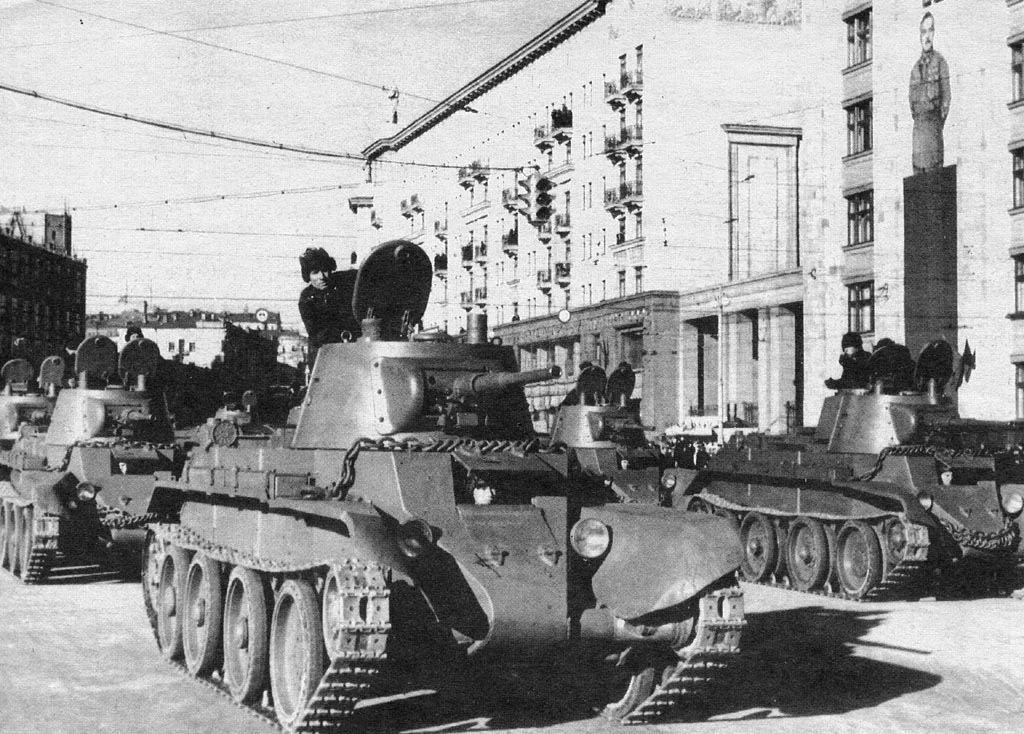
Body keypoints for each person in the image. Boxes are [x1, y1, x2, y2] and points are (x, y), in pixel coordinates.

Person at [298, 247, 360, 367]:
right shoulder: (306, 299)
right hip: (325, 354)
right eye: (315, 272)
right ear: (308, 276)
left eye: (325, 270)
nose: (321, 276)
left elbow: (365, 273)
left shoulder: (344, 280)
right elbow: (317, 335)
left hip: (354, 348)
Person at [909, 11, 951, 175]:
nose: (927, 36)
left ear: (934, 33)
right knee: (918, 176)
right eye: (923, 32)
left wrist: (937, 124)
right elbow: (912, 105)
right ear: (920, 35)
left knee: (935, 175)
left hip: (933, 129)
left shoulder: (940, 62)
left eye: (930, 30)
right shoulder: (915, 69)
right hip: (918, 133)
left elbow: (946, 98)